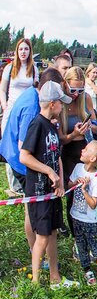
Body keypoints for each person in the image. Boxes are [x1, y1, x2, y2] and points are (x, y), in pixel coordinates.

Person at [0, 69, 67, 253]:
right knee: (32, 209)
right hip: (19, 160)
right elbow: (24, 148)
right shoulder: (32, 109)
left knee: (32, 207)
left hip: (13, 152)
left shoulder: (32, 92)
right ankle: (35, 250)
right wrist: (48, 170)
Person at [19, 81, 78, 289]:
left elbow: (57, 156)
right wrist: (49, 171)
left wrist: (60, 178)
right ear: (52, 104)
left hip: (52, 191)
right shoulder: (37, 125)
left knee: (52, 233)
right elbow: (24, 156)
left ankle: (55, 277)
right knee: (42, 236)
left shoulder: (53, 127)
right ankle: (35, 284)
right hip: (38, 190)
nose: (64, 107)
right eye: (61, 103)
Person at [60, 66, 97, 235]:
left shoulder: (86, 99)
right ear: (65, 85)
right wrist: (73, 134)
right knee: (73, 193)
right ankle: (77, 235)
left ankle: (88, 228)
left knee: (88, 189)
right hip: (68, 150)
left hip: (85, 150)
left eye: (80, 89)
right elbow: (60, 138)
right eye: (73, 89)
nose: (76, 94)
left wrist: (90, 126)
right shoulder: (61, 102)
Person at [1, 38, 39, 194]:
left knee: (23, 142)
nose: (23, 52)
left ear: (30, 51)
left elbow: (36, 88)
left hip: (28, 110)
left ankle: (23, 176)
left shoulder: (34, 69)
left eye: (26, 49)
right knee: (8, 143)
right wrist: (5, 107)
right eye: (21, 49)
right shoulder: (10, 68)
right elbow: (2, 90)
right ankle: (13, 183)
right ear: (17, 51)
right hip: (11, 108)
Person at [69, 140, 97, 285]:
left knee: (94, 243)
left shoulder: (96, 179)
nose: (82, 150)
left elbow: (93, 205)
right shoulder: (78, 167)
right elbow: (69, 184)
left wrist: (84, 190)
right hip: (75, 216)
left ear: (92, 159)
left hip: (89, 220)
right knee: (80, 244)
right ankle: (86, 268)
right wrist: (75, 182)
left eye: (85, 149)